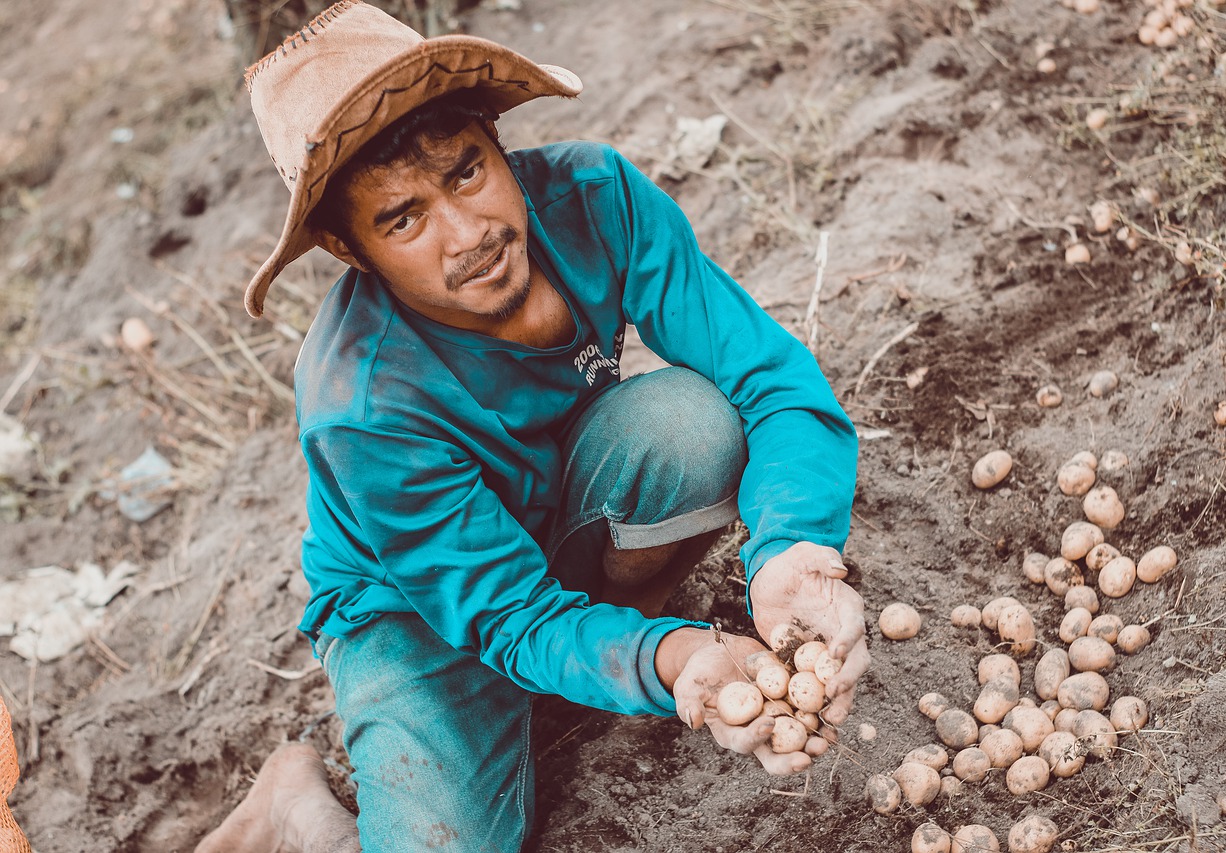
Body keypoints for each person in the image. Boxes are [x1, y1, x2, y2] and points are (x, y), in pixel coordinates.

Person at [199, 2, 867, 851]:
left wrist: (797, 553)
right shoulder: (360, 405)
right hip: (420, 607)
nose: (467, 233)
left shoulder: (598, 200)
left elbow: (772, 382)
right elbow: (507, 614)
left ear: (495, 137)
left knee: (693, 423)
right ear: (348, 248)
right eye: (403, 219)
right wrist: (677, 662)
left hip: (559, 509)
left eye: (466, 173)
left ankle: (586, 666)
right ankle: (298, 805)